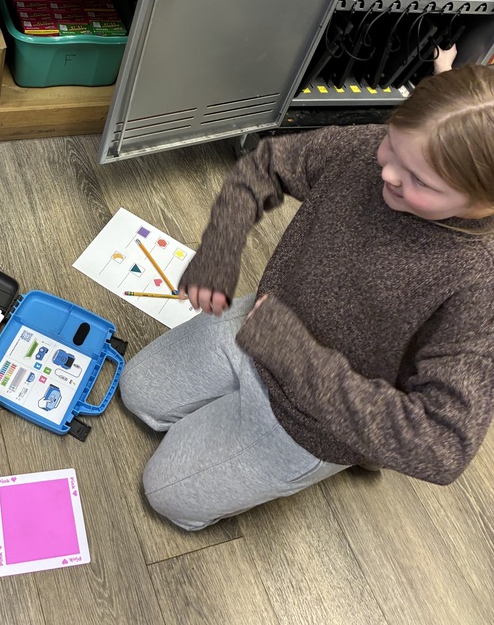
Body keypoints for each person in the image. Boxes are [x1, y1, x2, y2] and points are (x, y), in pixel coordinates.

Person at [119, 63, 494, 531]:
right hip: (256, 326)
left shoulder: (478, 282)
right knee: (136, 390)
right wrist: (221, 245)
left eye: (421, 181)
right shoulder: (376, 152)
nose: (387, 173)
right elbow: (266, 163)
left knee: (166, 493)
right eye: (391, 146)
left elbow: (443, 445)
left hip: (312, 417)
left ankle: (346, 458)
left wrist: (290, 351)